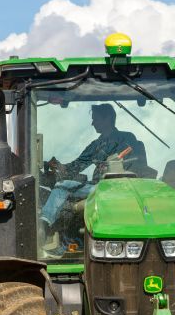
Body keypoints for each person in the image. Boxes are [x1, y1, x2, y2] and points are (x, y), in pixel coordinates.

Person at [39, 104, 147, 253]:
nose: (92, 123)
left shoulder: (127, 138)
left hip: (118, 188)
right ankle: (45, 228)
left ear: (108, 118)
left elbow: (134, 164)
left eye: (95, 119)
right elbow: (76, 166)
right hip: (96, 187)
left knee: (64, 189)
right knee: (62, 186)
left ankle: (52, 234)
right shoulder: (95, 145)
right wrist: (56, 166)